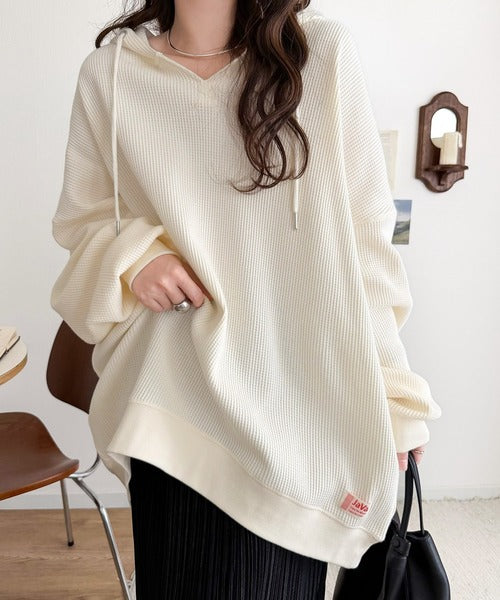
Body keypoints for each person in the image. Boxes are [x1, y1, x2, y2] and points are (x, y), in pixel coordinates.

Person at [50, 1, 442, 598]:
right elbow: (83, 221)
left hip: (301, 406)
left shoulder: (320, 55)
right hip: (175, 398)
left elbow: (365, 241)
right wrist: (134, 257)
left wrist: (394, 393)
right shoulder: (110, 74)